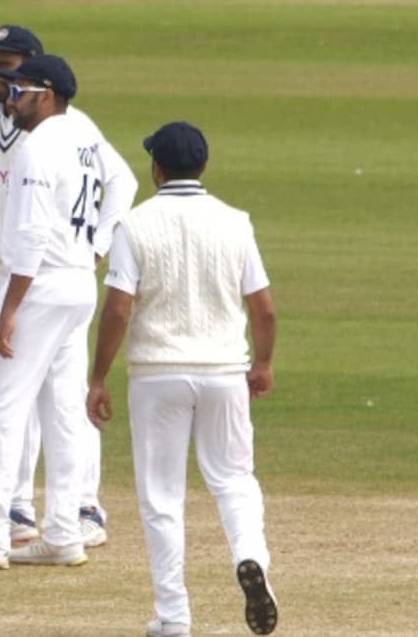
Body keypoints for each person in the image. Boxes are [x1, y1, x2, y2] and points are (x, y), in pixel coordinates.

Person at [86, 122, 278, 637]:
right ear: (205, 167)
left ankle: (173, 618)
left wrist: (98, 376)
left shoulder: (134, 224)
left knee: (162, 497)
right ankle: (252, 558)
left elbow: (118, 309)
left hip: (157, 374)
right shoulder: (235, 222)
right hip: (223, 371)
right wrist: (261, 365)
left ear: (156, 169)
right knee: (234, 480)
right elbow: (263, 308)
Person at [0, 55, 124, 569]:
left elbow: (29, 237)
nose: (9, 97)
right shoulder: (81, 136)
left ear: (46, 95)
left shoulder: (36, 148)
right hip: (76, 284)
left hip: (42, 284)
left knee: (3, 402)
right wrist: (96, 246)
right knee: (64, 409)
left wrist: (9, 309)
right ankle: (65, 531)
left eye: (19, 90)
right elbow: (121, 186)